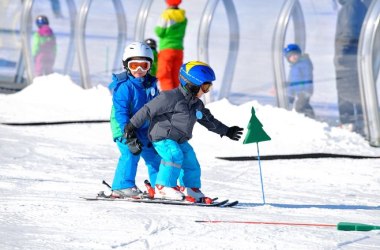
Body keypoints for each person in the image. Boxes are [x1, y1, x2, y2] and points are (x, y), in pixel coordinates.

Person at [124, 61, 244, 201]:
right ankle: (163, 187)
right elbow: (147, 110)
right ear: (191, 85)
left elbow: (208, 120)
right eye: (205, 87)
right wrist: (131, 125)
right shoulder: (170, 97)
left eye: (209, 87)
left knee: (190, 160)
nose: (206, 91)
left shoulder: (196, 104)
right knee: (174, 155)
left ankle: (190, 187)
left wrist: (227, 131)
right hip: (162, 137)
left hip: (179, 139)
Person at [109, 41, 161, 198]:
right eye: (134, 66)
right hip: (124, 126)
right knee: (131, 153)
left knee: (154, 155)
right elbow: (121, 111)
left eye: (143, 66)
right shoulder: (124, 87)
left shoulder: (151, 85)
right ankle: (122, 186)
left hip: (144, 128)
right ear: (126, 66)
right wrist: (127, 131)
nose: (139, 70)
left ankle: (160, 186)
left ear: (149, 66)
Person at [334, 0, 367, 134]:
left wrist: (344, 55)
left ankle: (349, 122)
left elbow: (350, 33)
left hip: (349, 58)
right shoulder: (356, 5)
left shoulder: (351, 6)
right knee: (358, 88)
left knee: (346, 89)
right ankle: (360, 120)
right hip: (355, 56)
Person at [155, 0, 187, 91]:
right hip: (179, 49)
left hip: (166, 49)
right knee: (176, 75)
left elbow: (159, 31)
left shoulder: (166, 15)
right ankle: (178, 97)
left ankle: (169, 99)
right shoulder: (183, 17)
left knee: (164, 75)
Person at [283, 44, 315, 118]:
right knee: (300, 105)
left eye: (295, 54)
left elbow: (308, 77)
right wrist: (290, 94)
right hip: (298, 90)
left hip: (304, 91)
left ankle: (311, 118)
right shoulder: (294, 66)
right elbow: (292, 81)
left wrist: (307, 90)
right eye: (291, 55)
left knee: (300, 106)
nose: (294, 57)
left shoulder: (304, 64)